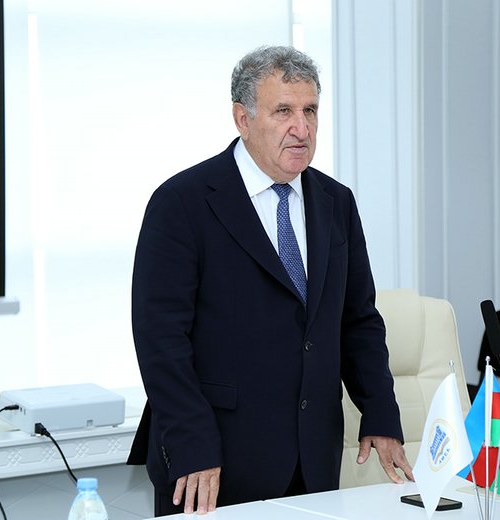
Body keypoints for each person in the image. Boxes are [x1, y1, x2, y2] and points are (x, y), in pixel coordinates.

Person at [127, 45, 413, 517]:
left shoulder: (336, 202)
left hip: (313, 461)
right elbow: (161, 341)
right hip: (215, 462)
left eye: (310, 111)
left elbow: (358, 319)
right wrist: (193, 442)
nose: (302, 128)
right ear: (243, 118)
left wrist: (380, 411)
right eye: (284, 111)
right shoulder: (181, 203)